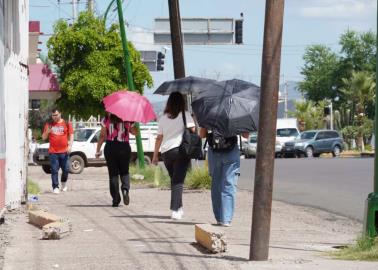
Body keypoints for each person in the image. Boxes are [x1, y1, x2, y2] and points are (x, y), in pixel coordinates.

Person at [152, 92, 195, 220]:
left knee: (174, 180)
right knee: (178, 181)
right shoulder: (185, 115)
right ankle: (175, 209)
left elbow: (159, 138)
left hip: (166, 154)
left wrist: (155, 156)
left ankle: (179, 208)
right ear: (182, 102)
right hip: (180, 151)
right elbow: (193, 131)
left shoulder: (163, 118)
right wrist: (192, 119)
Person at [199, 128, 248, 226]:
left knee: (216, 185)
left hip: (214, 150)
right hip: (231, 151)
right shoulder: (237, 113)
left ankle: (219, 218)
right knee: (229, 184)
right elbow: (245, 135)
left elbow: (202, 135)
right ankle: (226, 219)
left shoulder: (210, 113)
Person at [95, 113, 137, 207]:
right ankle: (125, 190)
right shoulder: (128, 118)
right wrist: (133, 125)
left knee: (113, 174)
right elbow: (135, 133)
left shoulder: (106, 119)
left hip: (110, 147)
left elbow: (102, 136)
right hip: (124, 147)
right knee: (124, 172)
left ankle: (115, 198)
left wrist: (98, 150)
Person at [42, 108, 74, 194]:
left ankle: (63, 183)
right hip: (53, 152)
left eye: (56, 115)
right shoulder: (49, 124)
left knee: (66, 169)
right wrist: (47, 132)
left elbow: (71, 135)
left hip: (64, 151)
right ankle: (55, 187)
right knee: (54, 170)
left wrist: (70, 146)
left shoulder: (67, 123)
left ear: (60, 113)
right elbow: (43, 137)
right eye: (53, 115)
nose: (55, 117)